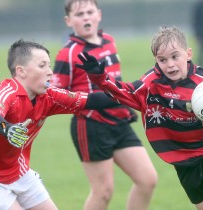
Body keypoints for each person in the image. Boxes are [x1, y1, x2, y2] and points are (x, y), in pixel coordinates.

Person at [76, 26, 203, 210]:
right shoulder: (150, 84)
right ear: (156, 60)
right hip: (185, 166)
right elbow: (123, 92)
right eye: (163, 60)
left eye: (175, 56)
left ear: (188, 54)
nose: (170, 64)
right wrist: (99, 77)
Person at [0, 39, 124, 210]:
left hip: (19, 173)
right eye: (42, 65)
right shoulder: (5, 91)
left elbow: (93, 101)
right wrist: (7, 129)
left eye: (49, 65)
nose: (50, 72)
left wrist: (139, 93)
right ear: (21, 71)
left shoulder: (49, 96)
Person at [51, 0, 157, 210]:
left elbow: (115, 81)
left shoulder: (109, 40)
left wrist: (125, 105)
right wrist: (87, 102)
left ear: (99, 14)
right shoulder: (68, 53)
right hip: (91, 125)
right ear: (68, 20)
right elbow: (55, 94)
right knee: (103, 192)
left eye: (90, 12)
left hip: (119, 122)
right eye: (79, 14)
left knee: (147, 180)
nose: (86, 17)